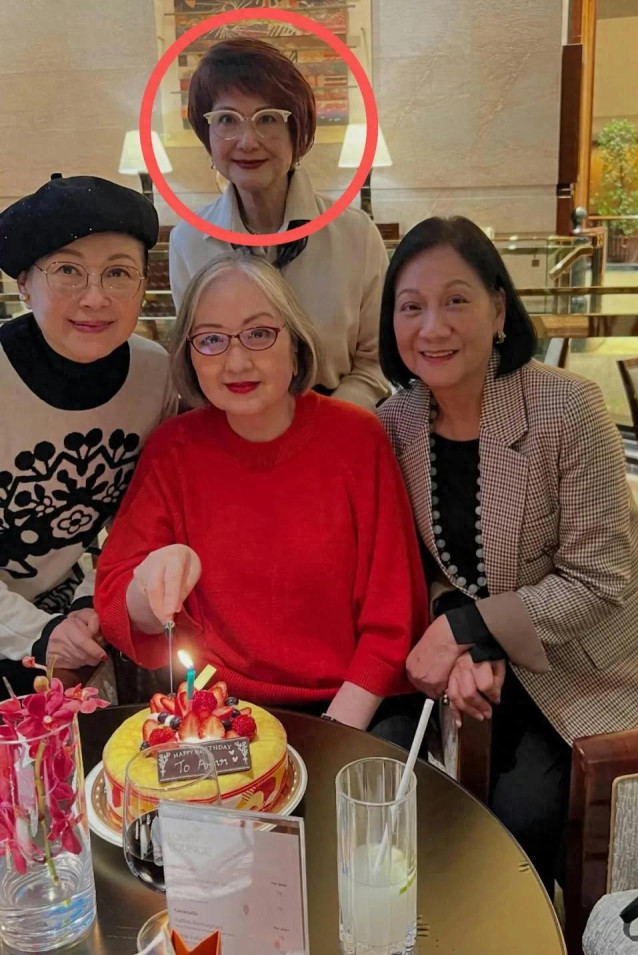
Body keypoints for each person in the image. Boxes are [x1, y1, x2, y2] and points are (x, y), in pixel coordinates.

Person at [377, 216, 638, 892]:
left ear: (498, 310)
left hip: (600, 662)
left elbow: (598, 581)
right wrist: (470, 632)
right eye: (411, 306)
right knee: (461, 817)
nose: (433, 326)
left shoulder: (567, 407)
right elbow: (427, 563)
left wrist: (467, 629)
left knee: (523, 818)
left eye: (456, 300)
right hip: (505, 658)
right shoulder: (396, 422)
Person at [95, 254, 427, 743]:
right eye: (211, 339)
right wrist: (149, 587)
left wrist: (332, 737)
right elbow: (116, 601)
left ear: (296, 343)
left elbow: (393, 619)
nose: (236, 362)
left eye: (259, 333)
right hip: (222, 711)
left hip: (355, 705)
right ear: (189, 355)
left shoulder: (357, 438)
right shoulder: (173, 449)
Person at [0, 174, 176, 698]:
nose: (95, 297)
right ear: (23, 284)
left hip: (70, 608)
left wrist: (90, 602)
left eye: (118, 273)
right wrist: (39, 633)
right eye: (67, 271)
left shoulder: (154, 374)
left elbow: (138, 514)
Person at [169, 37, 389, 412]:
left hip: (337, 428)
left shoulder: (356, 235)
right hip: (236, 431)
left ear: (297, 132)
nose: (247, 141)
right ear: (207, 135)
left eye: (268, 119)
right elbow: (198, 361)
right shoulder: (188, 242)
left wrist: (324, 426)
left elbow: (376, 361)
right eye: (226, 120)